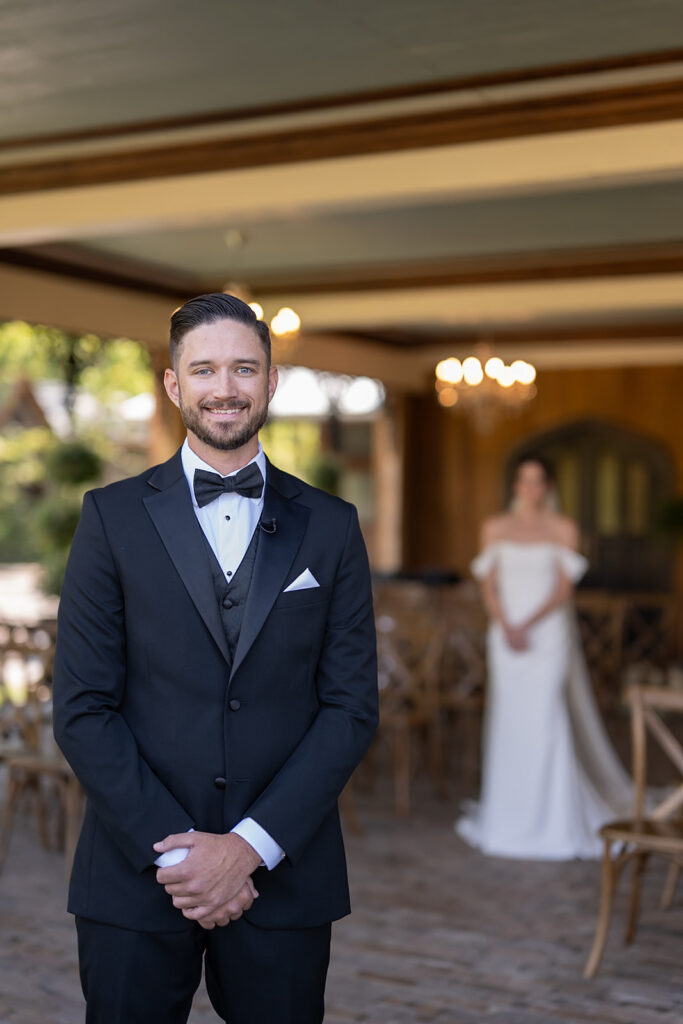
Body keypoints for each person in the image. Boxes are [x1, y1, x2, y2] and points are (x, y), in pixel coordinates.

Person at [52, 293, 378, 1024]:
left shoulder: (331, 526)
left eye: (242, 368)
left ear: (270, 380)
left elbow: (350, 707)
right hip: (135, 873)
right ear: (174, 385)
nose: (223, 388)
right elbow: (81, 709)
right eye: (204, 369)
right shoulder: (110, 517)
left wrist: (248, 848)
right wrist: (183, 857)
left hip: (285, 871)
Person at [456, 455, 632, 860]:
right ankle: (508, 817)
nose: (529, 488)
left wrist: (528, 624)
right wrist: (506, 624)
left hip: (547, 634)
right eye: (523, 480)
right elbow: (489, 585)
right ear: (516, 485)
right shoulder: (495, 527)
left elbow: (563, 589)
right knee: (509, 721)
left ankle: (555, 822)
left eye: (537, 481)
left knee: (547, 719)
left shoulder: (563, 528)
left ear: (548, 486)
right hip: (505, 635)